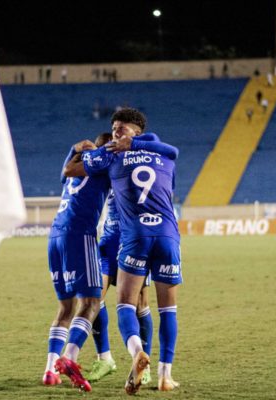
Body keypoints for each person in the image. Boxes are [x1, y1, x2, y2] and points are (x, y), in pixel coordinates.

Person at [76, 108, 182, 394]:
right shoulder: (163, 154)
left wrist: (83, 150)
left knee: (126, 303)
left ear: (137, 131)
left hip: (135, 235)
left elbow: (82, 164)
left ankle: (137, 353)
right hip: (167, 234)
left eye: (121, 128)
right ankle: (164, 376)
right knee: (167, 309)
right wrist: (135, 144)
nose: (115, 132)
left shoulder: (112, 155)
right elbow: (172, 156)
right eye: (113, 127)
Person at [42, 133, 112, 392]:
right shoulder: (105, 162)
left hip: (55, 236)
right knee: (92, 302)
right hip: (79, 235)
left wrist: (73, 149)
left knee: (66, 308)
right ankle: (69, 358)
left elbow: (64, 173)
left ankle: (50, 371)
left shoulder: (76, 166)